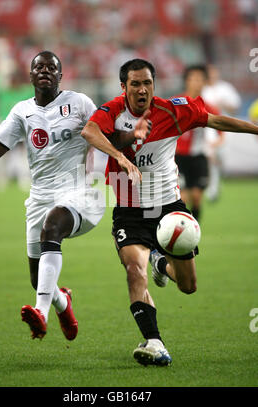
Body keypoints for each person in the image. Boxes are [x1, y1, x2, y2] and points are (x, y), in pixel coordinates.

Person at [81, 58, 258, 366]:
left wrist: (256, 130)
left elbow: (216, 121)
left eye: (147, 83)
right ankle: (154, 342)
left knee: (189, 286)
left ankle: (161, 264)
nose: (141, 89)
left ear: (154, 85)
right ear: (123, 87)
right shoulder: (112, 111)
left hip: (169, 210)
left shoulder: (174, 111)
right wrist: (119, 158)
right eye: (134, 84)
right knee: (134, 271)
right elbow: (90, 131)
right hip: (129, 211)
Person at [0, 51, 138, 342]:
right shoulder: (21, 111)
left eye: (51, 67)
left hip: (78, 193)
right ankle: (63, 304)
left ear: (60, 75)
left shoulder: (79, 102)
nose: (44, 71)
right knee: (37, 278)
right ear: (30, 76)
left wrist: (133, 135)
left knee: (52, 227)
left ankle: (41, 313)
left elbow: (107, 134)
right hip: (39, 198)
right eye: (38, 67)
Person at [175, 64, 224, 222]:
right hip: (177, 158)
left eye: (200, 79)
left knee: (196, 197)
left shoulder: (209, 108)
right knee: (182, 199)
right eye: (193, 79)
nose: (196, 82)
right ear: (186, 81)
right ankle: (179, 230)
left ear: (205, 82)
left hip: (198, 157)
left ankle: (193, 230)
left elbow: (221, 134)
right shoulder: (174, 104)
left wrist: (213, 145)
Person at [202, 64, 241, 201]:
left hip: (225, 127)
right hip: (208, 128)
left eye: (214, 73)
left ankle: (216, 182)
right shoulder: (202, 89)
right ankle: (212, 188)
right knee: (211, 157)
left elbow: (235, 108)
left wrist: (223, 105)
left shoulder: (226, 88)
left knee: (220, 158)